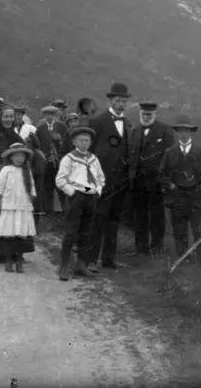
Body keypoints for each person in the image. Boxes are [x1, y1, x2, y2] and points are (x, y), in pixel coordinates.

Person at [86, 83, 133, 271]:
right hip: (101, 179)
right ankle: (90, 259)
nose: (121, 104)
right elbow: (89, 151)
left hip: (120, 180)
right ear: (110, 101)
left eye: (124, 101)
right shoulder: (97, 122)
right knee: (97, 218)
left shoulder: (129, 124)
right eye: (118, 101)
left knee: (114, 219)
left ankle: (109, 257)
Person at [161, 115, 201, 259]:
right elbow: (161, 175)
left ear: (191, 132)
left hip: (197, 196)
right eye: (180, 130)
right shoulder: (170, 153)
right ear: (177, 132)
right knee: (179, 229)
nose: (183, 133)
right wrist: (171, 186)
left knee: (200, 228)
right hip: (178, 197)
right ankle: (183, 257)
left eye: (186, 130)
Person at [55, 124, 105, 281]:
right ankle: (64, 265)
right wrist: (72, 192)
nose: (85, 143)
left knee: (87, 231)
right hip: (76, 197)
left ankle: (81, 264)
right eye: (81, 140)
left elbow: (100, 178)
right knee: (71, 231)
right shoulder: (69, 159)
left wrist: (97, 191)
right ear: (74, 142)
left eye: (87, 140)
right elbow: (60, 180)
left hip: (91, 197)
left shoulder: (93, 159)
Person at [128, 100, 174, 257]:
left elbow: (170, 156)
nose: (146, 117)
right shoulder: (134, 130)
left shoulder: (164, 130)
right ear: (140, 113)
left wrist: (165, 178)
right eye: (144, 114)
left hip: (156, 181)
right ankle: (140, 248)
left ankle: (157, 247)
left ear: (155, 114)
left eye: (149, 114)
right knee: (139, 215)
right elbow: (131, 155)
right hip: (138, 180)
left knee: (157, 215)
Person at [0, 142, 37, 272]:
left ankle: (19, 261)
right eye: (17, 156)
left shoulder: (27, 171)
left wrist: (30, 204)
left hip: (23, 208)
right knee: (9, 235)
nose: (19, 159)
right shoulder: (6, 170)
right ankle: (8, 260)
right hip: (9, 207)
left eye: (22, 156)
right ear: (11, 157)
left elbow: (32, 189)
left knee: (21, 236)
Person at [35, 105, 66, 217]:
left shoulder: (62, 127)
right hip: (46, 162)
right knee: (47, 186)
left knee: (61, 186)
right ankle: (48, 211)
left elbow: (67, 142)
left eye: (51, 114)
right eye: (47, 114)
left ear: (55, 115)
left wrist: (60, 139)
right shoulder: (40, 128)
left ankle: (64, 210)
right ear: (44, 115)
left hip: (59, 161)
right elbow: (37, 146)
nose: (49, 116)